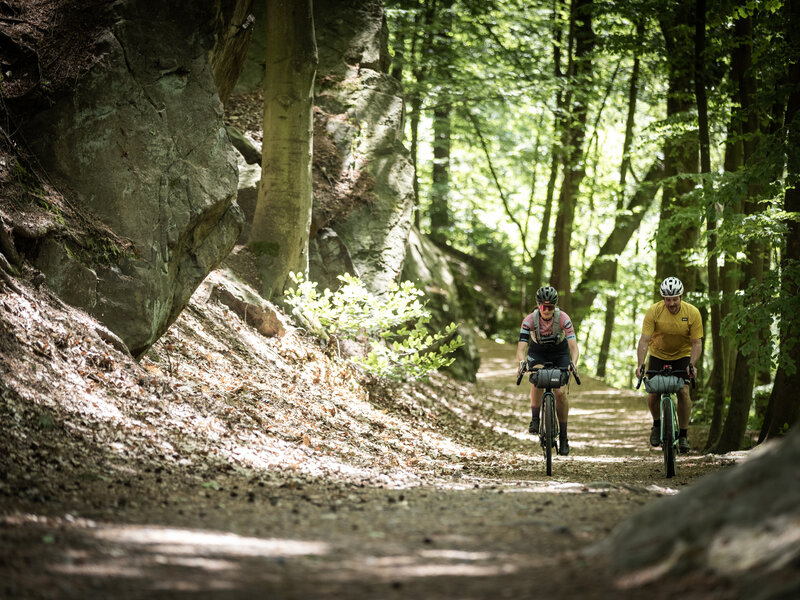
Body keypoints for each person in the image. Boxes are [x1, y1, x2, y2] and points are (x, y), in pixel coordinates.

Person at [635, 276, 703, 453]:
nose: (671, 303)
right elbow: (644, 340)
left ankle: (683, 435)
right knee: (653, 391)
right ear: (663, 298)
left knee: (683, 391)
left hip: (682, 355)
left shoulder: (692, 313)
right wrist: (640, 364)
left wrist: (692, 364)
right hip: (658, 354)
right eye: (667, 299)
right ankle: (657, 425)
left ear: (681, 297)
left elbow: (697, 343)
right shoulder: (654, 311)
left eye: (674, 299)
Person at [516, 285, 580, 455]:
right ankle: (535, 419)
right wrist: (521, 362)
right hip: (538, 352)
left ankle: (564, 437)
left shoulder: (563, 318)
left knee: (560, 393)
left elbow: (574, 347)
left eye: (550, 307)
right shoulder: (529, 320)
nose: (547, 310)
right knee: (537, 379)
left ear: (555, 307)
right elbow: (521, 348)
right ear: (538, 306)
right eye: (544, 307)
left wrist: (573, 363)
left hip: (560, 352)